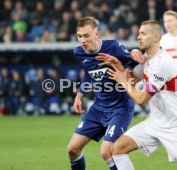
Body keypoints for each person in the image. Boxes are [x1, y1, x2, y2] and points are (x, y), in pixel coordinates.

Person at [96, 20, 177, 170]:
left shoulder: (162, 63)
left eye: (143, 33)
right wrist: (118, 65)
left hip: (175, 124)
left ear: (155, 37)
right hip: (155, 122)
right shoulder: (147, 60)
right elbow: (131, 79)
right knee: (117, 149)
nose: (138, 37)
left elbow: (141, 99)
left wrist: (123, 81)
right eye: (139, 33)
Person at [67, 16, 137, 170]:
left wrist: (135, 52)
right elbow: (88, 73)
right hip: (99, 107)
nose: (82, 40)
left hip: (120, 107)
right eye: (79, 36)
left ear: (96, 34)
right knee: (72, 149)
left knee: (107, 152)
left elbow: (136, 67)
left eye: (86, 35)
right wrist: (79, 96)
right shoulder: (79, 52)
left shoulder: (114, 47)